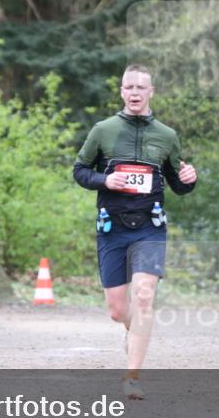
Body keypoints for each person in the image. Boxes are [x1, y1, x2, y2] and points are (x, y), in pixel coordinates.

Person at [73, 64, 197, 399]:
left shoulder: (167, 136)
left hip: (149, 227)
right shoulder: (103, 130)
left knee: (143, 297)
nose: (135, 93)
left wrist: (189, 180)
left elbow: (177, 184)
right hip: (112, 226)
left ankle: (132, 376)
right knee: (117, 310)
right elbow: (80, 171)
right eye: (129, 87)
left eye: (141, 87)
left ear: (151, 92)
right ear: (122, 91)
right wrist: (105, 180)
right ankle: (133, 330)